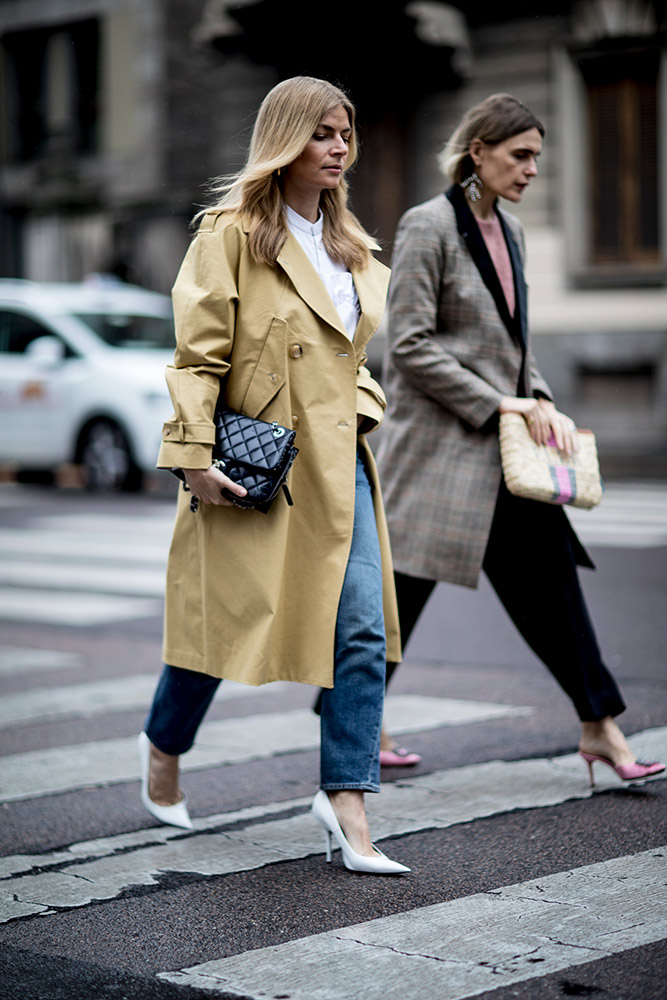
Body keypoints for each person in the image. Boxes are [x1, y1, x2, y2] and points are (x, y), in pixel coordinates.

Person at [138, 76, 409, 875]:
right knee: (218, 631)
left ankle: (348, 802)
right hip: (256, 464)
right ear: (286, 141)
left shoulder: (351, 244)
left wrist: (359, 404)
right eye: (323, 133)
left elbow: (351, 357)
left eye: (345, 134)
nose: (338, 148)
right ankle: (164, 742)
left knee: (360, 631)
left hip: (338, 465)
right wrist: (191, 459)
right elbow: (198, 356)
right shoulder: (228, 235)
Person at [373, 93, 664, 787]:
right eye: (520, 155)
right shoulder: (427, 226)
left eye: (537, 156)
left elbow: (512, 344)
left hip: (508, 456)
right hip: (438, 453)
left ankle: (599, 725)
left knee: (552, 585)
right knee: (396, 600)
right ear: (478, 152)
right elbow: (407, 346)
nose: (532, 169)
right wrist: (498, 402)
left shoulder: (512, 232)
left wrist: (539, 400)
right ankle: (351, 717)